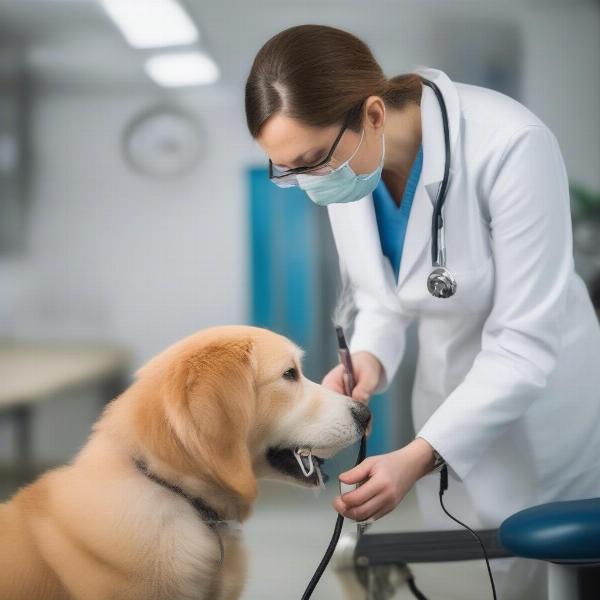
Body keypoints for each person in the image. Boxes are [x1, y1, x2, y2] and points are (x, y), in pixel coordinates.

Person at [244, 24, 600, 598]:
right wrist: (368, 359)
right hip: (450, 386)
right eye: (290, 170)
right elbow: (382, 298)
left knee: (564, 575)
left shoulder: (510, 144)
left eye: (312, 161)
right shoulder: (348, 164)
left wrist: (418, 455)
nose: (310, 185)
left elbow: (525, 342)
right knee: (495, 574)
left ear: (375, 115)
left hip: (546, 407)